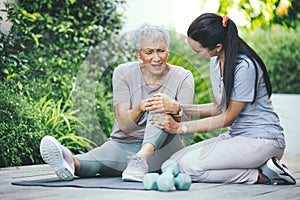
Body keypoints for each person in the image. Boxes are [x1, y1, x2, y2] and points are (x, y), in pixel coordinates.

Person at [148, 13, 296, 185]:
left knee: (188, 167)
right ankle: (264, 167)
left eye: (197, 50)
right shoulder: (216, 62)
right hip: (237, 137)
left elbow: (228, 117)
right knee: (172, 163)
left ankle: (263, 176)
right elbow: (219, 107)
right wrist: (178, 107)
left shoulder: (244, 67)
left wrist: (179, 127)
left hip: (262, 140)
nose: (194, 53)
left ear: (217, 46)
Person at [39, 23, 194, 182]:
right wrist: (140, 107)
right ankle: (68, 161)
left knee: (159, 103)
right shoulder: (123, 72)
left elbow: (185, 125)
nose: (157, 58)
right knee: (95, 161)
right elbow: (124, 124)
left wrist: (174, 108)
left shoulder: (183, 77)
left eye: (161, 51)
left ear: (168, 50)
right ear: (138, 53)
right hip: (125, 144)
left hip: (164, 149)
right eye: (149, 52)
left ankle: (141, 158)